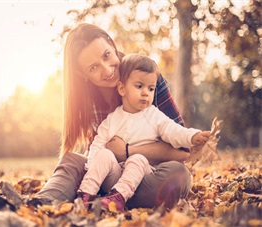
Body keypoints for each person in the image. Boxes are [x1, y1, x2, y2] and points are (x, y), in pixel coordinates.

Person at [28, 23, 195, 210]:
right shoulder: (87, 97)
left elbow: (183, 151)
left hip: (149, 175)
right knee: (72, 160)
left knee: (179, 174)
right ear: (81, 73)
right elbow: (97, 153)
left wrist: (127, 151)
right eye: (93, 68)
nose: (107, 71)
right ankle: (39, 204)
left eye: (107, 55)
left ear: (111, 43)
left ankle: (109, 199)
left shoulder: (144, 76)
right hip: (109, 174)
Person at [76, 53, 210, 212]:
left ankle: (119, 198)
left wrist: (192, 137)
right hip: (115, 175)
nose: (146, 92)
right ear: (122, 88)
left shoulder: (154, 116)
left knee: (138, 159)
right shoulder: (112, 120)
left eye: (151, 88)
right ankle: (85, 195)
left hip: (144, 176)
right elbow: (98, 144)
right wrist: (91, 166)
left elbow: (174, 131)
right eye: (139, 86)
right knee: (103, 155)